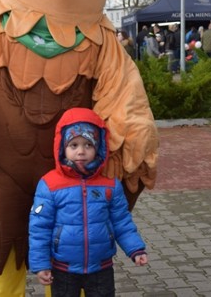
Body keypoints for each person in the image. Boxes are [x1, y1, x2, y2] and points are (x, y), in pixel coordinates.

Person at [28, 107, 148, 295]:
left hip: (101, 268)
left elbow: (121, 221)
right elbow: (39, 228)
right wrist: (41, 264)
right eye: (73, 145)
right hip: (63, 269)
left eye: (88, 145)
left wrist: (136, 249)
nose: (81, 151)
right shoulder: (49, 184)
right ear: (62, 147)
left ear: (98, 147)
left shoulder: (110, 184)